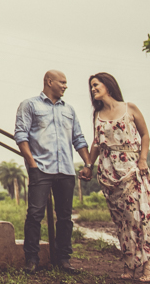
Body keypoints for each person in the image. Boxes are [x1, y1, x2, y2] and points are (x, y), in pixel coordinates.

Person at [80, 72, 150, 282]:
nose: (93, 89)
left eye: (96, 85)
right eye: (92, 87)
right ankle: (130, 264)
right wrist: (89, 165)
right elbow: (96, 143)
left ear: (108, 85)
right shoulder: (97, 115)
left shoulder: (129, 108)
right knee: (122, 221)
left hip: (132, 169)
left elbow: (145, 134)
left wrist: (142, 159)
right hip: (109, 173)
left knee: (139, 217)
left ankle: (147, 264)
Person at [14, 70, 93, 273]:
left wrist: (88, 163)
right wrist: (31, 163)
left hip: (65, 170)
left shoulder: (69, 110)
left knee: (65, 217)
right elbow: (21, 135)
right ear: (50, 82)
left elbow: (78, 138)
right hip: (40, 168)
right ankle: (31, 260)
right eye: (62, 82)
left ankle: (63, 260)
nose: (66, 86)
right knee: (35, 215)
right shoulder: (30, 105)